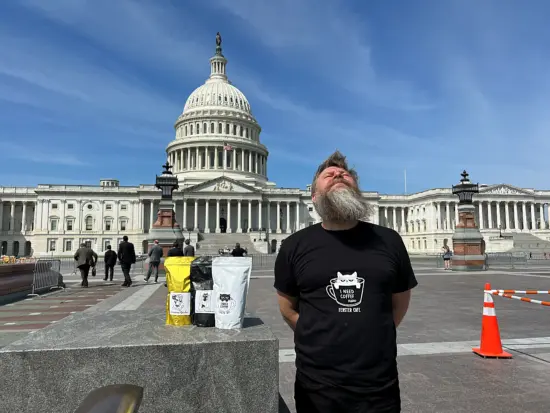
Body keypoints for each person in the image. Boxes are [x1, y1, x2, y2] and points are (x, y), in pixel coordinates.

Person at [274, 151, 418, 412]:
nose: (338, 175)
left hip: (378, 386)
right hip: (316, 387)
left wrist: (374, 332)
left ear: (357, 190)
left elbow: (399, 303)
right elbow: (287, 308)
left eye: (345, 174)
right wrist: (314, 334)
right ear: (314, 196)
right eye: (328, 175)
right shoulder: (293, 245)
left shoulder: (389, 240)